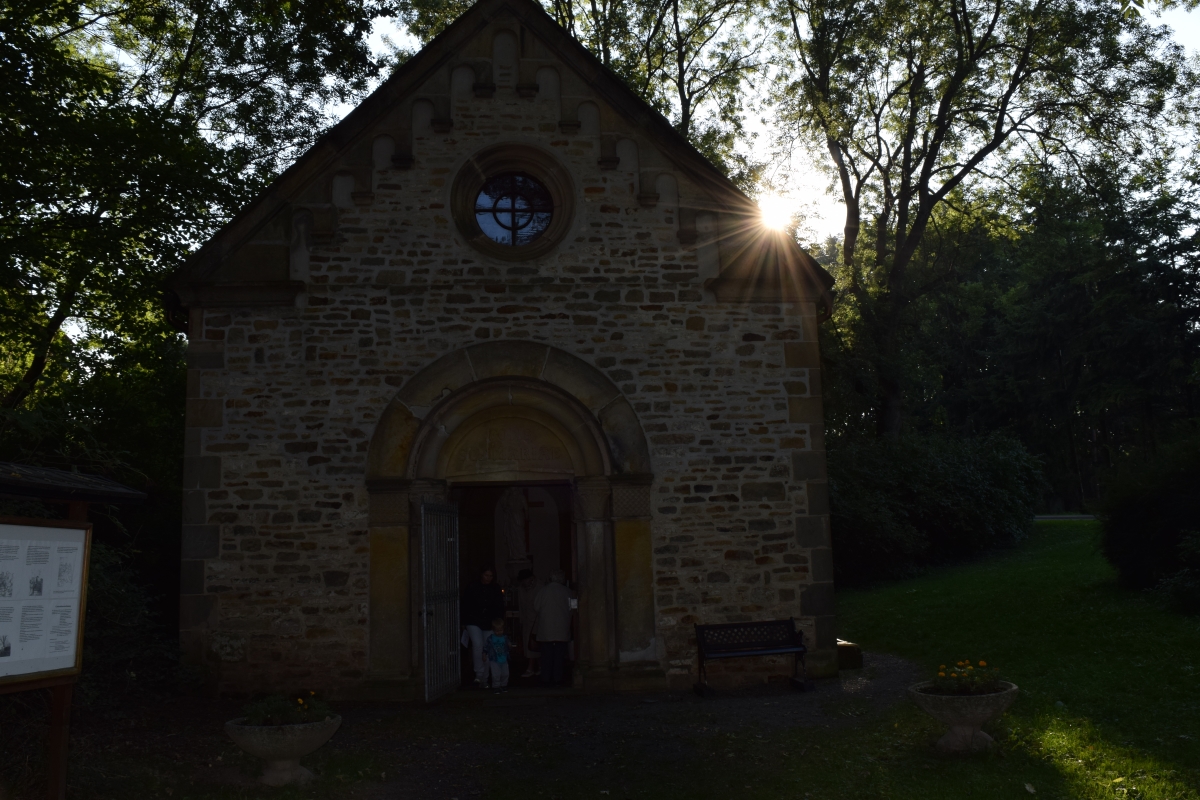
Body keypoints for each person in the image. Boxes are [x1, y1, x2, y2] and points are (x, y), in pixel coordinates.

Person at [462, 567, 505, 687]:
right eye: (486, 575)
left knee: (486, 647)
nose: (488, 578)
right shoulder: (473, 587)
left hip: (489, 622)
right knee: (477, 645)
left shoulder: (495, 588)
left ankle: (484, 677)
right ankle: (479, 673)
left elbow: (499, 606)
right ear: (481, 575)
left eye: (490, 576)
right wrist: (464, 620)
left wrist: (498, 621)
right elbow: (466, 604)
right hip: (473, 620)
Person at [532, 569, 572, 686]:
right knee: (559, 655)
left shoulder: (543, 591)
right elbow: (572, 608)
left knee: (546, 655)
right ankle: (557, 678)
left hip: (546, 628)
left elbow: (536, 607)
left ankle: (546, 678)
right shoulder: (567, 591)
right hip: (562, 628)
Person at [515, 568, 542, 678]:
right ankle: (539, 667)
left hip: (536, 620)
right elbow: (521, 606)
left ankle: (531, 668)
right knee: (531, 645)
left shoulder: (539, 587)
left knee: (533, 645)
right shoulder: (521, 589)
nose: (523, 583)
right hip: (527, 621)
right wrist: (521, 620)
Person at [482, 617, 512, 692]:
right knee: (496, 674)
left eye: (501, 630)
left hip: (504, 658)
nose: (499, 632)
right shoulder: (490, 638)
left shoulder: (505, 638)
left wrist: (509, 645)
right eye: (497, 631)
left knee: (505, 673)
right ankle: (496, 686)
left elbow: (508, 645)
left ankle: (504, 685)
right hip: (494, 659)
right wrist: (484, 654)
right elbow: (485, 647)